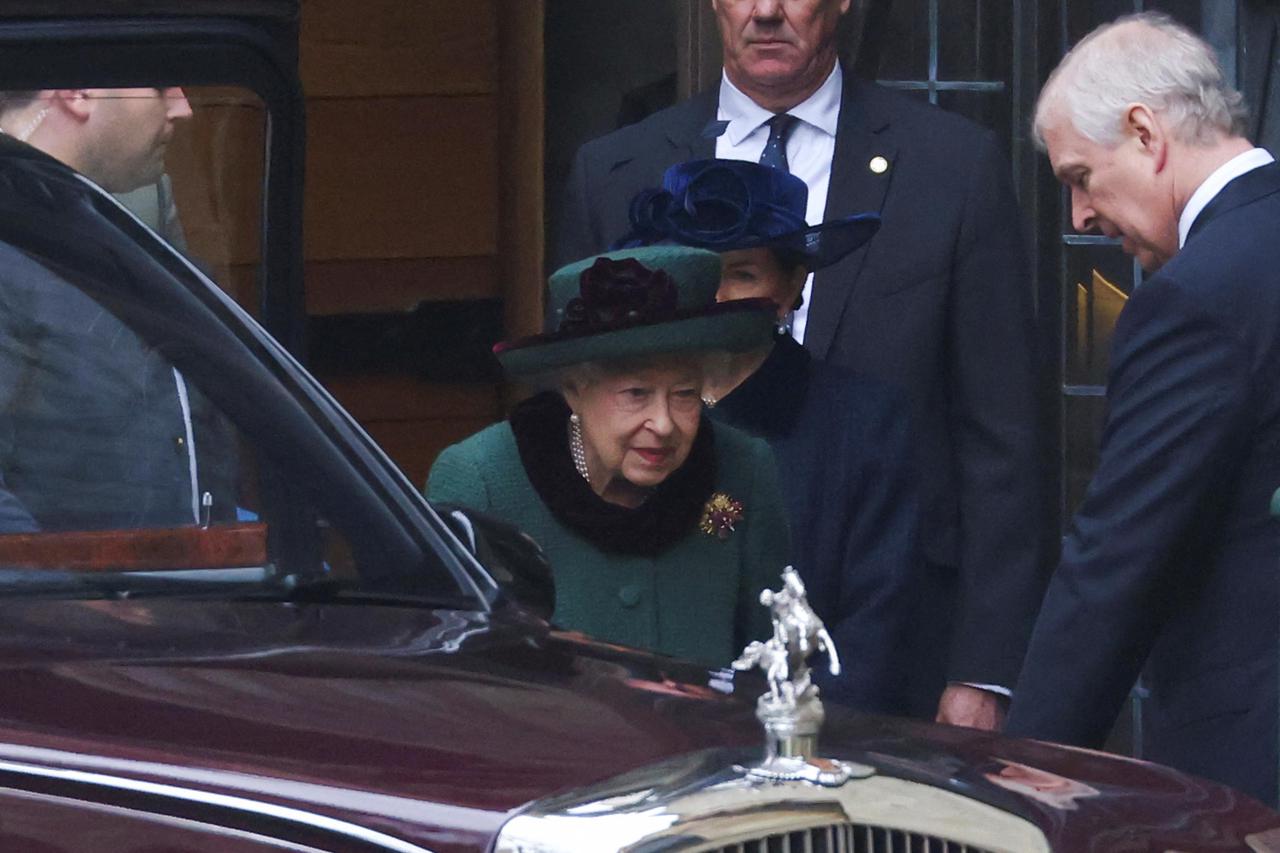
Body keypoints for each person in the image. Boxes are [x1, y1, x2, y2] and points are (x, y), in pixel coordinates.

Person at [557, 0, 1043, 729]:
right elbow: (577, 416)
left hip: (900, 642)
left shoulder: (953, 166)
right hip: (662, 653)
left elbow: (1005, 436)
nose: (767, 12)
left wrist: (986, 670)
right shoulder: (614, 170)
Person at [1003, 13, 1280, 804]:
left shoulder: (1193, 299)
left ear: (1144, 132)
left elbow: (1118, 560)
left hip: (1251, 766)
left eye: (1080, 177)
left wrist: (1027, 770)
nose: (1080, 217)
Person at [615, 158, 919, 714]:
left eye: (742, 273)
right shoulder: (610, 416)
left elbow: (877, 632)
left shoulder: (868, 424)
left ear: (792, 286)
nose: (715, 296)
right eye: (696, 269)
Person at [427, 246, 790, 667]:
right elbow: (453, 680)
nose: (664, 424)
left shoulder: (743, 468)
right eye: (636, 394)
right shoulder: (482, 480)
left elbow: (771, 665)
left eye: (685, 394)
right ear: (575, 389)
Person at [0, 87, 233, 532]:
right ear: (78, 93)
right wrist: (73, 598)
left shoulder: (119, 233)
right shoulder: (13, 253)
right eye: (162, 86)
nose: (183, 108)